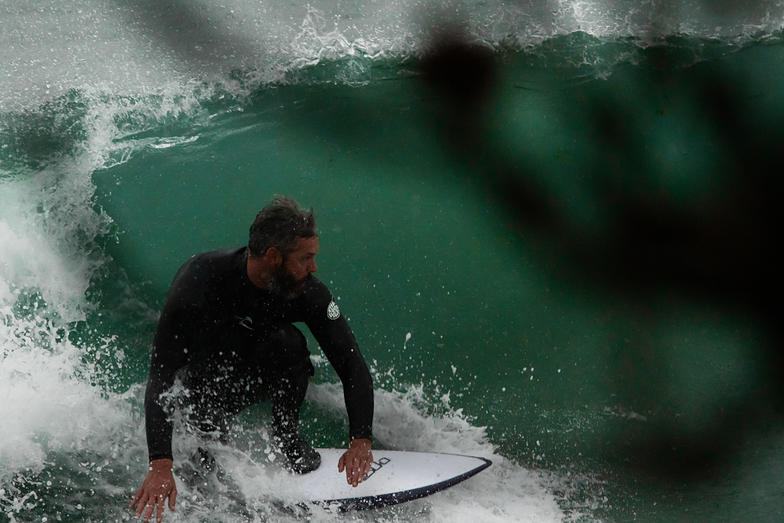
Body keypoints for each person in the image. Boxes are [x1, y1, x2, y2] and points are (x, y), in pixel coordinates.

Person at [129, 196, 374, 522]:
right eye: (306, 258)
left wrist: (360, 439)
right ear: (274, 256)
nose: (313, 267)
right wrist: (160, 464)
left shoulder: (307, 292)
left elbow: (351, 365)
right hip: (205, 380)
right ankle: (205, 447)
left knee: (292, 345)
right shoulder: (200, 280)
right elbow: (161, 375)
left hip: (256, 368)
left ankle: (286, 435)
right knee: (207, 469)